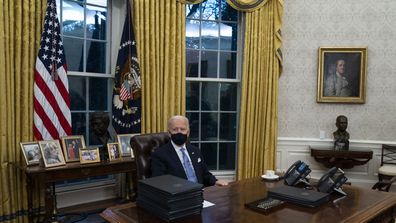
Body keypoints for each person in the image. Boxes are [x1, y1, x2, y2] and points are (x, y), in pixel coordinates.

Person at [151, 115, 228, 187]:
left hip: (200, 193)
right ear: (169, 133)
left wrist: (215, 181)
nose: (179, 132)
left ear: (188, 133)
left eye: (182, 129)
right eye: (175, 129)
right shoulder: (160, 154)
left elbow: (205, 174)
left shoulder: (195, 150)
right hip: (179, 196)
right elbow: (160, 183)